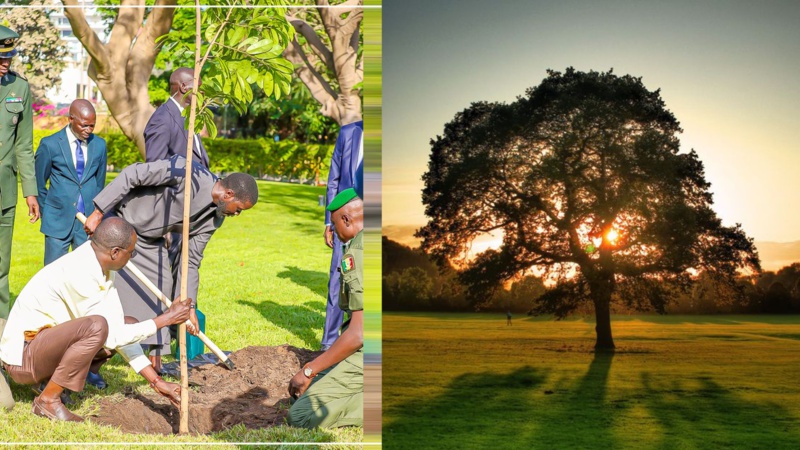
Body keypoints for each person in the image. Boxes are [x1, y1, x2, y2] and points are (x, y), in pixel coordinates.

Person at [0, 217, 193, 421]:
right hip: (23, 359)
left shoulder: (103, 266)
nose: (132, 257)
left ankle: (50, 382)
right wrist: (166, 319)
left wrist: (156, 382)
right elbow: (111, 336)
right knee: (97, 327)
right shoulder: (80, 271)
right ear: (115, 252)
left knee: (128, 324)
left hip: (42, 347)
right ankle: (47, 400)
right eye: (131, 252)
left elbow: (118, 329)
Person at [83, 156, 258, 372]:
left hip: (150, 241)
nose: (237, 214)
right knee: (103, 296)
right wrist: (98, 212)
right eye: (239, 208)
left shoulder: (215, 218)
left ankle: (156, 361)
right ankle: (90, 363)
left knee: (163, 289)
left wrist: (188, 306)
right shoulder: (185, 172)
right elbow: (132, 174)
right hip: (121, 224)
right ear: (228, 194)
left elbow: (191, 260)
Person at [288, 188, 363, 428]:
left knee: (301, 415)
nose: (331, 231)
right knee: (318, 384)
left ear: (346, 219)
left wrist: (309, 370)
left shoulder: (359, 254)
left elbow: (360, 333)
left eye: (333, 224)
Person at [0, 25, 39, 410]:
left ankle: (2, 345)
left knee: (0, 270)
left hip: (5, 194)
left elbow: (24, 145)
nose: (4, 65)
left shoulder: (20, 89)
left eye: (8, 58)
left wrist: (30, 191)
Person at [35, 99, 107, 265]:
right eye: (84, 125)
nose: (88, 130)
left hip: (87, 224)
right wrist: (48, 213)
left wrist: (96, 214)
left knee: (85, 273)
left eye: (92, 125)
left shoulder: (100, 145)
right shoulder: (50, 144)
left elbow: (99, 184)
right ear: (71, 119)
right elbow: (39, 183)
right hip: (57, 222)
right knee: (54, 275)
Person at [322, 120, 363, 351]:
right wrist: (330, 221)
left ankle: (355, 338)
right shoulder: (349, 132)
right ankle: (329, 342)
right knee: (338, 275)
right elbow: (333, 179)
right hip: (345, 220)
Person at [144, 67, 209, 168]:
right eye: (199, 87)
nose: (202, 92)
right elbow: (154, 169)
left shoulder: (188, 117)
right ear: (183, 87)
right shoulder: (162, 119)